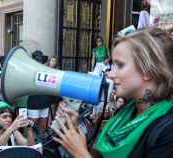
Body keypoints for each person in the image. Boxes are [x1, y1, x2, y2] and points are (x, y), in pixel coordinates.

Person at [53, 28, 173, 158]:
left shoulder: (168, 130)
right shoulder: (126, 111)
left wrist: (80, 153)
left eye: (120, 65)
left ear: (148, 71)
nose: (110, 74)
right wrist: (75, 132)